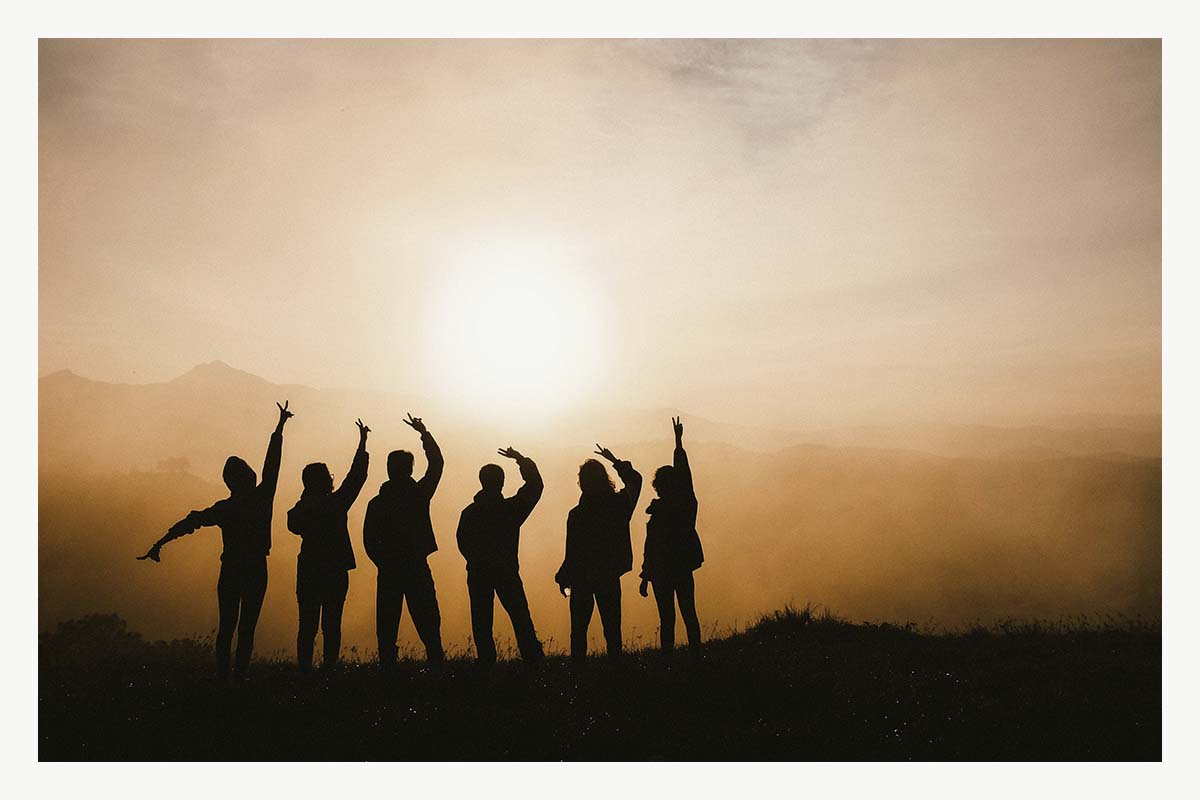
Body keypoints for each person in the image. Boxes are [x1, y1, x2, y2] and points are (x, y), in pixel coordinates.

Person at [137, 401, 294, 681]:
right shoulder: (262, 498)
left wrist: (160, 542)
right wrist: (279, 428)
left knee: (227, 627)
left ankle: (223, 679)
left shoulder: (225, 508)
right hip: (256, 568)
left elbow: (191, 522)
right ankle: (239, 677)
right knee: (246, 628)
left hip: (231, 569)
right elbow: (272, 464)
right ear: (248, 477)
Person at [362, 413, 445, 669]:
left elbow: (369, 540)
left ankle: (388, 668)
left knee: (387, 623)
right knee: (427, 619)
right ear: (409, 469)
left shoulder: (378, 502)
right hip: (415, 565)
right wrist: (424, 433)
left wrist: (382, 561)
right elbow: (437, 464)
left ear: (389, 469)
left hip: (390, 568)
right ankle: (436, 665)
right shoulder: (418, 494)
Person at [287, 418, 370, 671]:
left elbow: (293, 525)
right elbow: (356, 478)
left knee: (307, 625)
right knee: (332, 625)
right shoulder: (336, 503)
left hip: (309, 569)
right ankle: (329, 670)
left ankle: (304, 671)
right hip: (335, 569)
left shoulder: (300, 508)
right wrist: (363, 443)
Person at [455, 447, 545, 667]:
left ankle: (486, 662)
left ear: (481, 482)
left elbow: (462, 542)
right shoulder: (510, 510)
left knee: (481, 620)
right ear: (502, 483)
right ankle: (532, 658)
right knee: (520, 616)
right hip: (507, 571)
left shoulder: (470, 513)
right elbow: (536, 485)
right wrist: (520, 460)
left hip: (478, 572)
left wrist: (476, 560)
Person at [555, 444, 642, 663]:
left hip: (582, 578)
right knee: (612, 628)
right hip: (609, 574)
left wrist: (564, 576)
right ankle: (615, 670)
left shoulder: (577, 514)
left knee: (578, 630)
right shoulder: (619, 505)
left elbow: (572, 551)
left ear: (582, 483)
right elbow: (635, 481)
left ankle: (578, 671)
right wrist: (616, 461)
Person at [639, 416, 704, 655]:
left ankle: (668, 659)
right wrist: (678, 443)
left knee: (667, 618)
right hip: (681, 567)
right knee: (688, 613)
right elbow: (685, 477)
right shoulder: (686, 505)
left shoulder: (665, 510)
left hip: (662, 571)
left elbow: (651, 548)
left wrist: (646, 575)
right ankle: (696, 655)